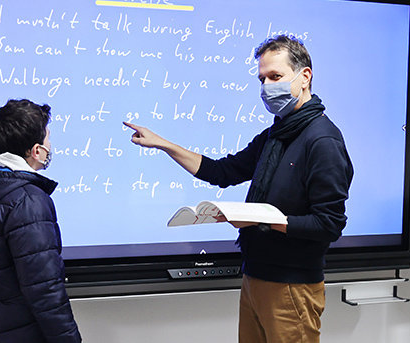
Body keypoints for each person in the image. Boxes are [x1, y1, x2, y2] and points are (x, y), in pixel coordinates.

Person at [124, 35, 353, 343]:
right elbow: (222, 171)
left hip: (292, 286)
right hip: (255, 276)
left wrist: (264, 220)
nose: (267, 87)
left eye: (275, 77)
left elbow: (329, 224)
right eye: (262, 79)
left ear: (305, 77)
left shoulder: (322, 141)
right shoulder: (275, 134)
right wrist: (164, 144)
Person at [0, 99, 82, 343]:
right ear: (36, 150)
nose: (50, 146)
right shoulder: (27, 200)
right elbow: (45, 289)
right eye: (48, 139)